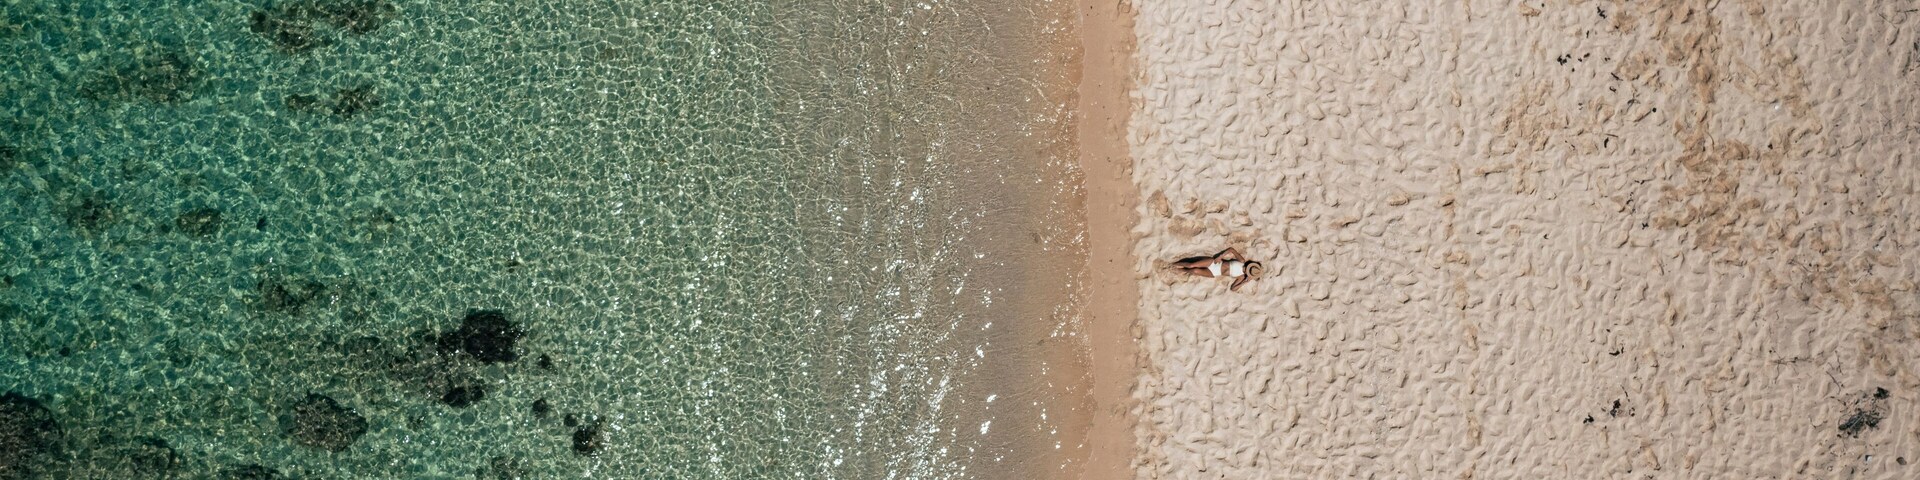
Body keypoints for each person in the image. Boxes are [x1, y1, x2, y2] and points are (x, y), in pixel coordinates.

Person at [1172, 247, 1263, 291]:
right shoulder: (1242, 261)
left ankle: (1182, 270)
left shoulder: (1241, 277)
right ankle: (1173, 264)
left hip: (1214, 273)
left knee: (1194, 271)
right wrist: (1220, 256)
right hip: (1215, 263)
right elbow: (1231, 250)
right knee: (1192, 265)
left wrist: (1245, 282)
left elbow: (1233, 288)